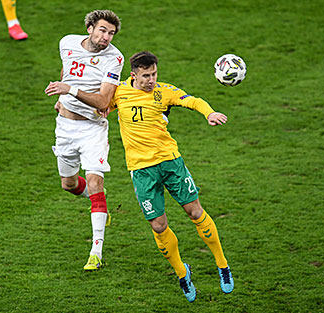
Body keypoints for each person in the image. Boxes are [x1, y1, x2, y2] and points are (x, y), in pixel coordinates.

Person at [110, 51, 234, 302]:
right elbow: (100, 105)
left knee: (195, 212)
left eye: (154, 73)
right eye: (146, 76)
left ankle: (223, 266)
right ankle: (181, 272)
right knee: (158, 225)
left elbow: (193, 100)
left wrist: (208, 113)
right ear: (133, 75)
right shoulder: (119, 93)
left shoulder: (163, 91)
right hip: (141, 170)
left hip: (170, 162)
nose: (151, 80)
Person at [44, 9, 124, 271]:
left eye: (111, 33)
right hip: (65, 126)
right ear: (90, 28)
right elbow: (67, 68)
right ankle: (98, 204)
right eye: (102, 30)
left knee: (94, 180)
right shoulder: (67, 42)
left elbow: (102, 101)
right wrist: (62, 95)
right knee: (68, 184)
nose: (106, 37)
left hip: (93, 129)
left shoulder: (114, 59)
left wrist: (69, 89)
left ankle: (96, 252)